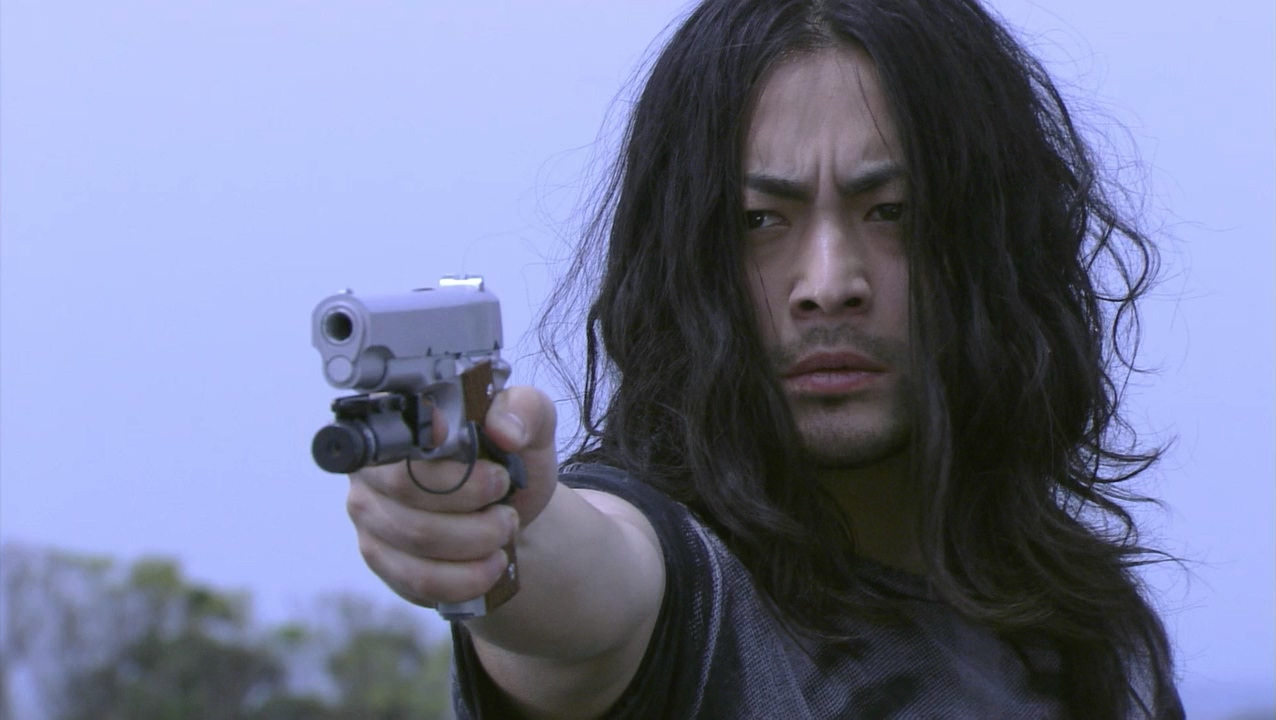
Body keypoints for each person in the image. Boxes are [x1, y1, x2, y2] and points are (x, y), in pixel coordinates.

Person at [346, 0, 1185, 717]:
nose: (828, 284)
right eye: (759, 221)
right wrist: (501, 534)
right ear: (687, 255)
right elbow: (589, 581)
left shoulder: (1098, 635)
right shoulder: (686, 589)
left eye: (892, 211)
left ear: (993, 239)